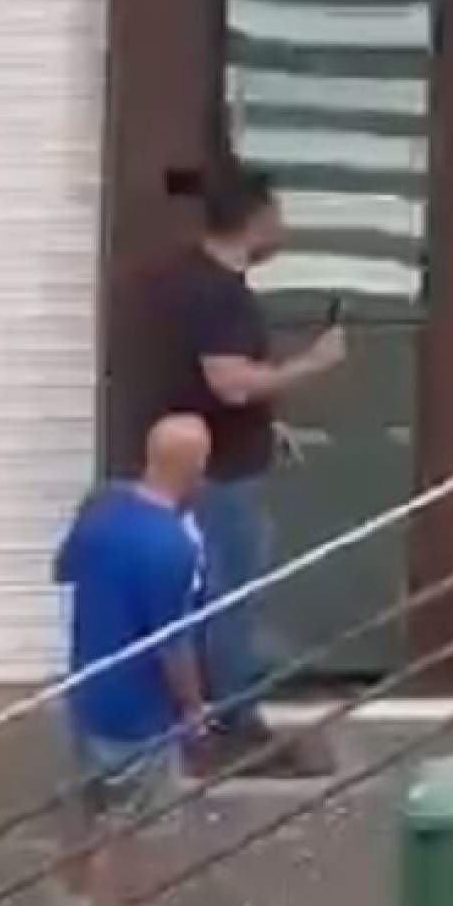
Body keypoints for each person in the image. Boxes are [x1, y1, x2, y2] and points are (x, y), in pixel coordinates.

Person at [154, 165, 346, 777]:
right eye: (279, 214)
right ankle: (232, 730)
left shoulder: (190, 278)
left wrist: (270, 427)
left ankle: (218, 719)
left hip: (213, 461)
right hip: (222, 476)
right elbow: (229, 384)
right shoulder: (221, 294)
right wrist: (313, 364)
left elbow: (209, 385)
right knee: (228, 601)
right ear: (257, 219)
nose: (284, 227)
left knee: (217, 598)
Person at [49, 414, 213, 906]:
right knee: (144, 824)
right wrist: (193, 708)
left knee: (87, 811)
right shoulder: (172, 547)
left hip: (86, 689)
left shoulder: (102, 514)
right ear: (193, 468)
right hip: (140, 711)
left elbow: (61, 571)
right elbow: (174, 645)